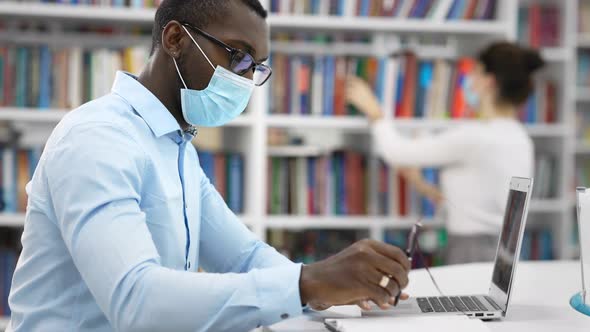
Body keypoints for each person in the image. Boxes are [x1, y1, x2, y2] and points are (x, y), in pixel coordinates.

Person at [7, 1, 411, 331]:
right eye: (238, 56)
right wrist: (308, 283)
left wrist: (331, 287)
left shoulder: (176, 144)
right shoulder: (98, 138)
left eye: (256, 67)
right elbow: (135, 300)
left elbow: (243, 256)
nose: (246, 78)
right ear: (175, 39)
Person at [346, 42, 543, 265]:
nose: (469, 81)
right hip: (504, 249)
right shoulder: (519, 137)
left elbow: (396, 151)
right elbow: (485, 198)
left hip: (471, 250)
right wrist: (424, 186)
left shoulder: (476, 136)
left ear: (489, 82)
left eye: (474, 74)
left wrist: (374, 110)